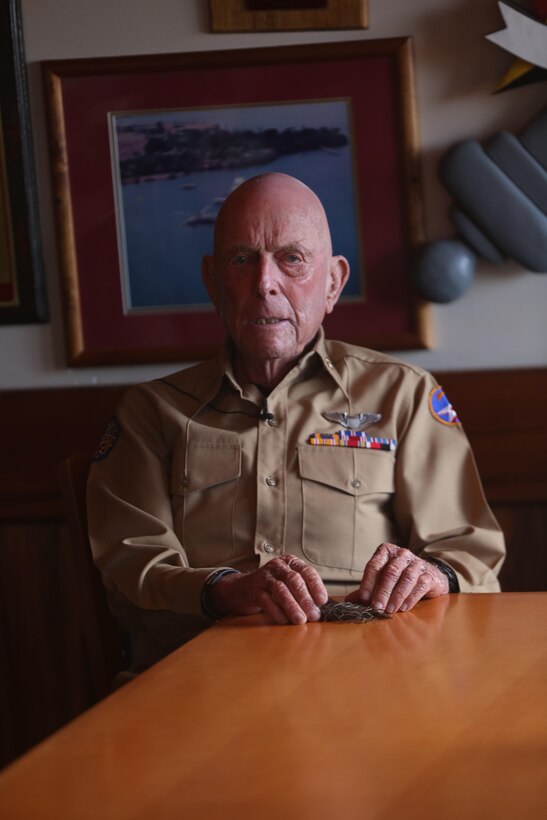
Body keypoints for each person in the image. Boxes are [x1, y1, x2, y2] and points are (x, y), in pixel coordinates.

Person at [88, 173, 505, 673]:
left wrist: (433, 575)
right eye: (241, 260)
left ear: (333, 282)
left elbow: (469, 552)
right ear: (212, 281)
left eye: (291, 259)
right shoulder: (152, 412)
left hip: (366, 677)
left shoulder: (403, 395)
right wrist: (224, 591)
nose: (265, 283)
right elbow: (130, 569)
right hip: (201, 679)